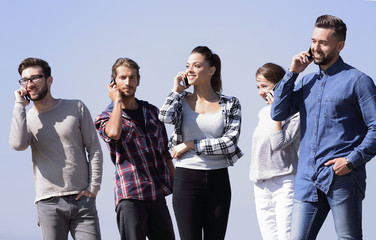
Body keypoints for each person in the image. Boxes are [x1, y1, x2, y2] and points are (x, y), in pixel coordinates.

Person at [271, 15, 376, 239]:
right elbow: (278, 112)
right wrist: (292, 73)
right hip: (307, 181)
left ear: (340, 46)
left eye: (323, 43)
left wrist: (351, 161)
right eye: (313, 41)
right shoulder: (306, 82)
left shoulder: (358, 81)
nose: (315, 48)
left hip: (343, 180)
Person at [9, 58, 103, 240]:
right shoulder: (26, 117)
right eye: (25, 80)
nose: (30, 84)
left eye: (35, 77)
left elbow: (94, 149)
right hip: (48, 203)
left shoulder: (76, 107)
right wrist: (19, 105)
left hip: (82, 200)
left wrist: (94, 187)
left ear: (49, 80)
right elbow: (18, 144)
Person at [159, 46, 243, 240]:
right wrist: (175, 90)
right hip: (186, 180)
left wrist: (191, 144)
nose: (190, 70)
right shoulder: (180, 101)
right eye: (188, 65)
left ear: (211, 70)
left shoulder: (231, 103)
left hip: (218, 180)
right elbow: (164, 116)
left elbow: (229, 143)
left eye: (196, 65)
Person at [94, 58, 175, 240]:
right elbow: (113, 133)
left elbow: (165, 153)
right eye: (122, 77)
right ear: (114, 82)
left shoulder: (152, 112)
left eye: (132, 78)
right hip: (130, 195)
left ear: (138, 80)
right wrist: (116, 102)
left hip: (156, 193)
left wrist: (176, 185)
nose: (128, 82)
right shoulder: (105, 116)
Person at [250, 63, 300, 240]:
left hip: (285, 182)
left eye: (264, 86)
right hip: (261, 183)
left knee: (286, 237)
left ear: (279, 86)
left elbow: (278, 143)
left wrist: (275, 113)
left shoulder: (295, 115)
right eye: (258, 87)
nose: (260, 92)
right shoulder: (262, 113)